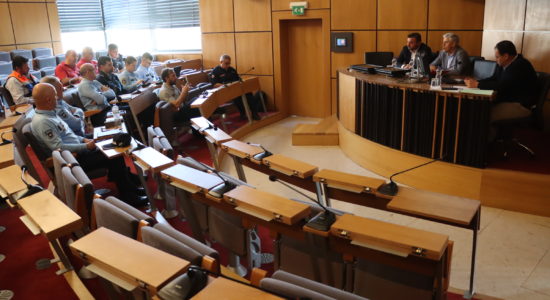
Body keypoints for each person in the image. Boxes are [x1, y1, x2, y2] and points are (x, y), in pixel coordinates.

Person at [30, 83, 147, 207]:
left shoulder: (50, 114)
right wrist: (86, 146)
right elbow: (58, 147)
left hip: (78, 151)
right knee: (115, 154)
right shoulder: (43, 122)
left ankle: (129, 187)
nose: (58, 98)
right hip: (73, 160)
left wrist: (83, 140)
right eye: (54, 95)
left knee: (112, 145)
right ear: (48, 100)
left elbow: (68, 136)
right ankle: (128, 196)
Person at [465, 40, 537, 123]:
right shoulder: (504, 63)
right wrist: (476, 81)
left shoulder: (520, 65)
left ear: (506, 56)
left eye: (497, 57)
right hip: (506, 100)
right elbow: (494, 78)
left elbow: (501, 86)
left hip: (520, 104)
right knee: (478, 110)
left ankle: (490, 136)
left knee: (484, 115)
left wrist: (478, 84)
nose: (496, 59)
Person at [210, 54, 261, 120]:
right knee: (237, 97)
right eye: (226, 63)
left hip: (235, 89)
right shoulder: (215, 71)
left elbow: (238, 79)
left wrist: (241, 81)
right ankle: (242, 113)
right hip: (224, 91)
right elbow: (214, 84)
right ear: (221, 62)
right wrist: (225, 85)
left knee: (249, 93)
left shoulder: (232, 70)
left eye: (229, 63)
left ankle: (254, 113)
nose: (228, 65)